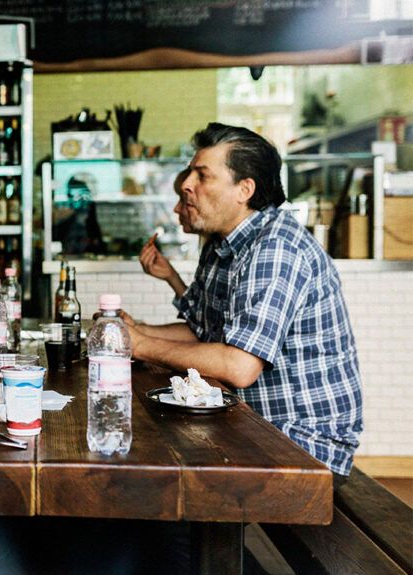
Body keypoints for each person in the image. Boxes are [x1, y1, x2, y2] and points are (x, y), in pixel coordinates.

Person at [124, 123, 363, 480]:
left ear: (244, 190)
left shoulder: (275, 247)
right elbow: (204, 332)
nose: (187, 185)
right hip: (259, 424)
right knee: (152, 442)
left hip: (301, 444)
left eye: (202, 175)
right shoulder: (225, 242)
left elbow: (239, 366)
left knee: (157, 469)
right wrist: (134, 332)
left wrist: (141, 344)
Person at [139, 168, 194, 299]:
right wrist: (171, 276)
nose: (176, 209)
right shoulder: (211, 250)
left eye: (184, 200)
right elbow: (199, 317)